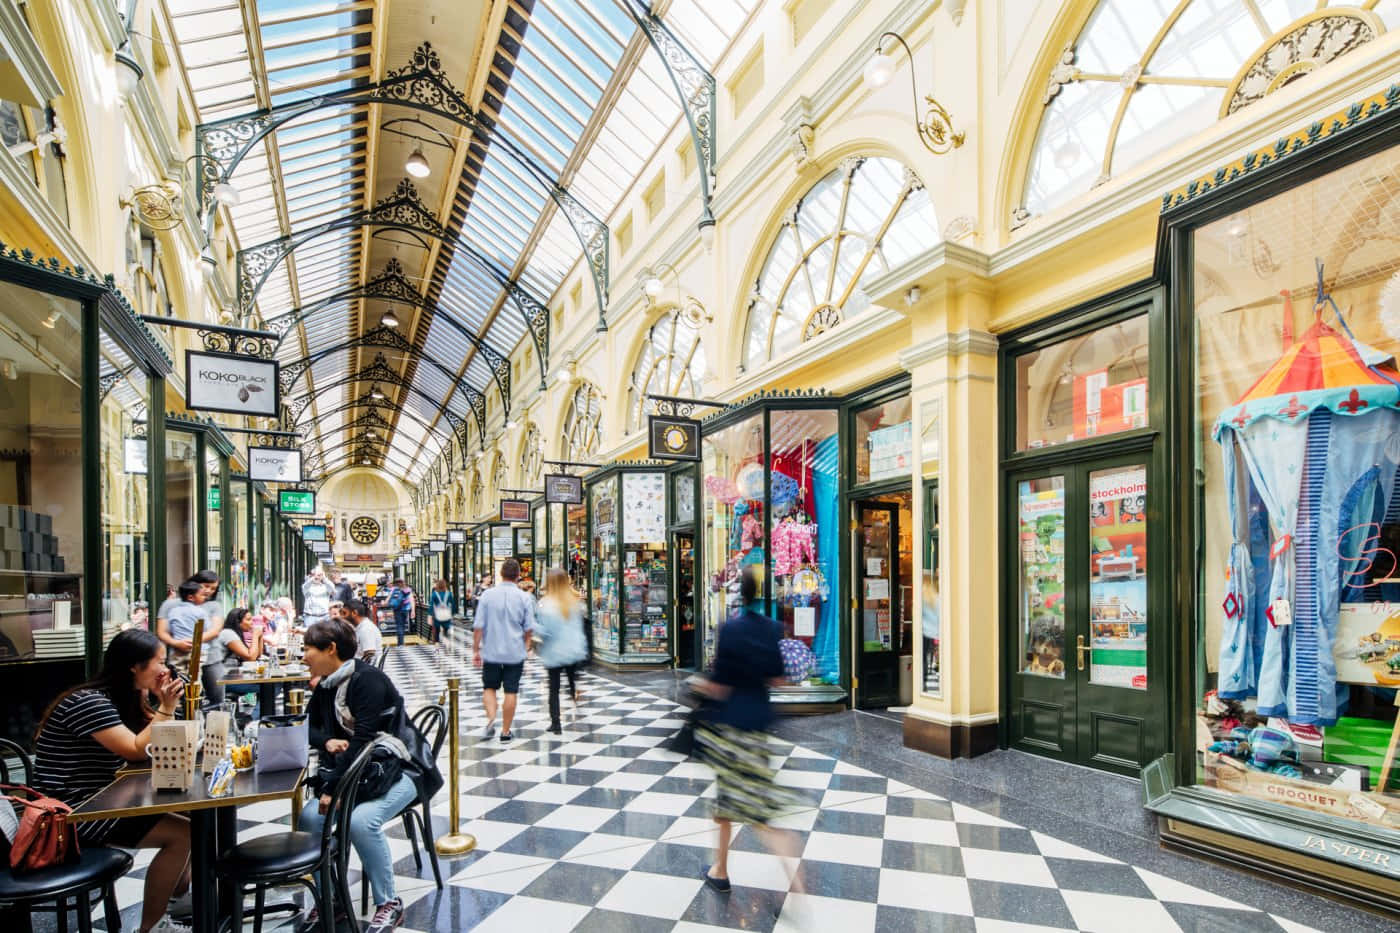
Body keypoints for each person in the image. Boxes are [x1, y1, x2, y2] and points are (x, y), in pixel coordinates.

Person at [33, 630, 192, 933]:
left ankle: (178, 897)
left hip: (103, 797)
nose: (165, 670)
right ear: (134, 665)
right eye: (159, 662)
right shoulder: (89, 702)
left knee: (192, 817)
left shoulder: (124, 699)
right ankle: (152, 927)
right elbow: (134, 749)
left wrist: (159, 702)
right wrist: (166, 707)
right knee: (183, 835)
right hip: (71, 811)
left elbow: (155, 743)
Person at [694, 566, 805, 897]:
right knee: (729, 806)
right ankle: (721, 870)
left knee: (753, 813)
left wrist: (699, 686)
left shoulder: (730, 630)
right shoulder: (773, 629)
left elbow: (719, 686)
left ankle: (796, 880)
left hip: (731, 731)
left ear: (737, 592)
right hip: (758, 728)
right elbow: (778, 678)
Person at [298, 620, 415, 933]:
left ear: (331, 649)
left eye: (308, 648)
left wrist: (333, 790)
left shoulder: (368, 681)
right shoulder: (326, 685)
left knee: (361, 821)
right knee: (310, 818)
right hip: (357, 775)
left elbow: (364, 740)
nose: (304, 655)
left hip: (398, 770)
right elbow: (307, 728)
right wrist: (326, 741)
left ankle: (389, 902)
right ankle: (331, 898)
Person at [472, 559, 534, 741]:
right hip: (515, 651)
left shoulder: (488, 596)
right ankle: (505, 731)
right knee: (511, 691)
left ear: (501, 574)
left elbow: (478, 626)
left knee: (489, 687)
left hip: (491, 650)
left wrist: (476, 650)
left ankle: (491, 720)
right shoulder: (524, 597)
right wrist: (526, 646)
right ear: (518, 576)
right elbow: (529, 627)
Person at [534, 567, 588, 734]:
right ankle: (576, 703)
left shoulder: (545, 604)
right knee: (572, 680)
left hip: (554, 652)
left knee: (554, 688)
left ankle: (556, 723)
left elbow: (545, 631)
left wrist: (533, 628)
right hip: (573, 650)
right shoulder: (575, 602)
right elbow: (580, 627)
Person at [204, 607, 265, 706]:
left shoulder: (235, 634)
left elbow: (258, 655)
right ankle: (254, 715)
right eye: (248, 620)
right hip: (222, 680)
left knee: (264, 687)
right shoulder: (228, 633)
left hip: (232, 677)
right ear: (238, 621)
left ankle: (250, 712)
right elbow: (250, 657)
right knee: (267, 687)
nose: (252, 623)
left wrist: (260, 637)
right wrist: (255, 635)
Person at [428, 579, 455, 648]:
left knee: (437, 630)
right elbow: (453, 605)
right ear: (445, 585)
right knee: (446, 629)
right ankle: (446, 641)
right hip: (446, 615)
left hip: (437, 615)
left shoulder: (434, 594)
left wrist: (430, 615)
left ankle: (437, 644)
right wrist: (452, 614)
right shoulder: (449, 594)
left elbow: (431, 605)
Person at [387, 579, 413, 647]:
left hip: (397, 610)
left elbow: (388, 598)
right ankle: (401, 642)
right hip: (405, 610)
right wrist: (413, 610)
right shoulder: (407, 590)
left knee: (399, 626)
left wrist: (385, 602)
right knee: (402, 626)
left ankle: (400, 643)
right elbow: (412, 600)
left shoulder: (394, 589)